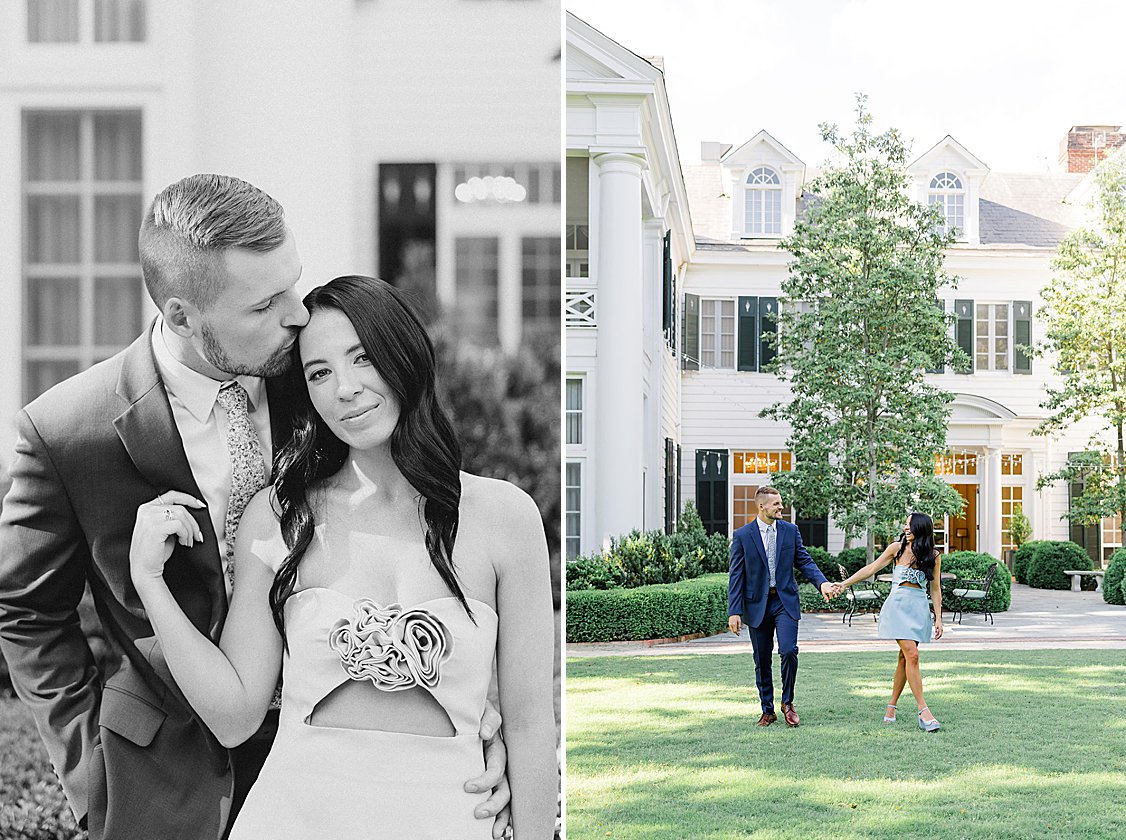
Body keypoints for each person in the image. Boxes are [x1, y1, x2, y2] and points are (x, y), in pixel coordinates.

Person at [0, 175, 510, 840]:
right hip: (157, 788)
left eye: (293, 283)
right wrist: (91, 777)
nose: (295, 314)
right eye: (265, 304)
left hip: (334, 775)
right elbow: (26, 612)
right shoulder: (68, 431)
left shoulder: (325, 377)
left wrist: (481, 715)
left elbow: (426, 531)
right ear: (182, 315)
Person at [127, 275, 557, 838]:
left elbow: (528, 726)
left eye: (362, 358)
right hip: (296, 813)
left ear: (403, 355)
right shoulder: (279, 516)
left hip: (449, 814)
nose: (345, 388)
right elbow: (235, 717)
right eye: (319, 373)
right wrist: (150, 582)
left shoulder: (505, 518)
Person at [728, 486, 834, 727]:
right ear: (762, 506)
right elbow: (736, 575)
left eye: (781, 503)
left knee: (788, 651)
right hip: (757, 605)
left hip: (784, 601)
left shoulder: (790, 531)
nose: (781, 507)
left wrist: (823, 584)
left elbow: (804, 561)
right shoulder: (743, 535)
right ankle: (768, 710)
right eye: (776, 504)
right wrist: (734, 611)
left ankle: (788, 703)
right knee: (762, 659)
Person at [834, 512, 944, 731]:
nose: (905, 528)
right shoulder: (897, 548)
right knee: (912, 654)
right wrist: (844, 584)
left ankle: (891, 707)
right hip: (898, 606)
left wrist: (939, 618)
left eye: (910, 525)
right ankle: (924, 712)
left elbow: (935, 588)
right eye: (905, 524)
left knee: (905, 659)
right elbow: (871, 569)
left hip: (918, 608)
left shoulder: (933, 555)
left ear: (921, 528)